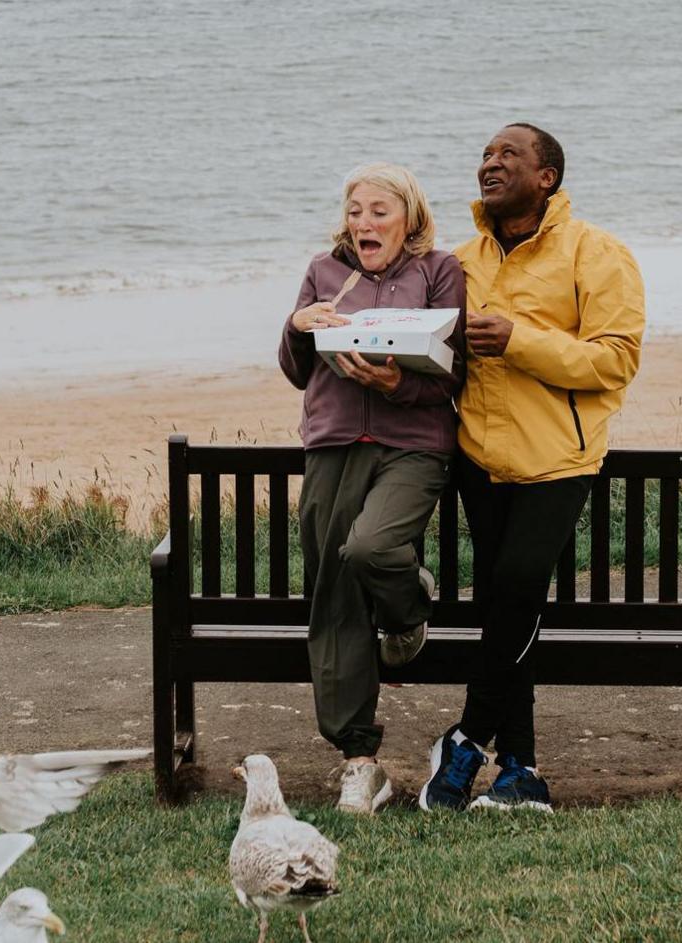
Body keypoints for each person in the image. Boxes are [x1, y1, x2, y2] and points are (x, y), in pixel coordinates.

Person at [418, 124, 646, 813]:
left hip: (559, 459)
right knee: (505, 609)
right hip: (479, 460)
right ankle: (520, 768)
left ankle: (464, 741)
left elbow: (614, 360)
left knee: (516, 586)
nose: (489, 164)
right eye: (484, 156)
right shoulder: (456, 262)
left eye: (507, 156)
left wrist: (519, 340)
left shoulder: (597, 253)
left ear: (546, 177)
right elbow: (436, 362)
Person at [276, 162, 465, 815]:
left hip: (412, 446)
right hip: (332, 444)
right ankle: (360, 759)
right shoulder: (324, 270)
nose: (363, 222)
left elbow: (453, 372)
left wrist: (397, 386)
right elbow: (298, 371)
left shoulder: (439, 270)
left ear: (409, 216)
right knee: (335, 596)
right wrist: (297, 327)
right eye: (355, 210)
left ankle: (410, 606)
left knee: (372, 550)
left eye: (378, 210)